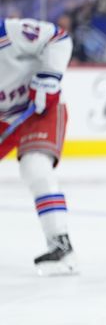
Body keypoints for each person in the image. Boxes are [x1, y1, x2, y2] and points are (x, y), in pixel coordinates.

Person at [0, 18, 77, 275]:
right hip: (4, 117)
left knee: (35, 167)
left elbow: (58, 38)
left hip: (39, 107)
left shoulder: (10, 32)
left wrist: (48, 76)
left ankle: (60, 245)